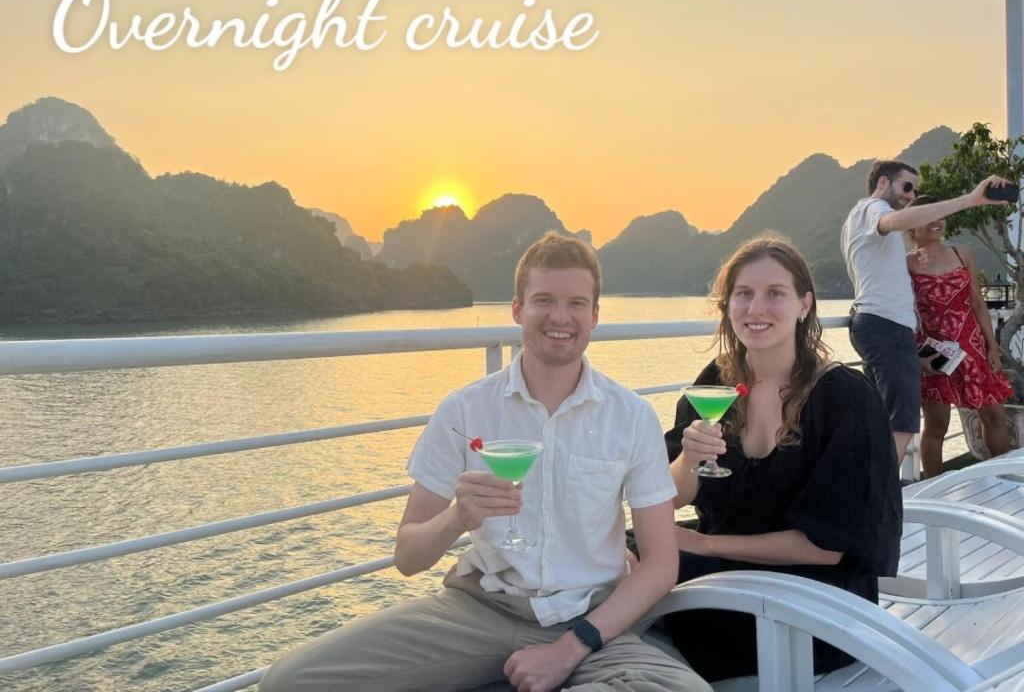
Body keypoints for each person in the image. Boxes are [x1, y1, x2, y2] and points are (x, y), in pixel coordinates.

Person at [260, 232, 710, 692]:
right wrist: (457, 517)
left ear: (594, 315)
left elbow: (659, 565)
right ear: (517, 309)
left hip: (592, 618)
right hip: (480, 610)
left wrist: (568, 650)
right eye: (544, 300)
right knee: (291, 682)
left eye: (576, 303)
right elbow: (409, 557)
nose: (560, 316)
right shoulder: (465, 410)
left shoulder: (629, 416)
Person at [660, 236, 903, 682]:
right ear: (727, 306)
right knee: (610, 557)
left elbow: (826, 549)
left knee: (632, 583)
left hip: (814, 609)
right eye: (744, 294)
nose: (756, 309)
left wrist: (707, 544)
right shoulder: (716, 382)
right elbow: (670, 498)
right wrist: (690, 458)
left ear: (804, 304)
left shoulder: (844, 398)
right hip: (724, 581)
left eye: (775, 293)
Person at [841, 160, 1011, 464]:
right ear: (883, 182)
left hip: (950, 341)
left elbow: (975, 301)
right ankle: (888, 487)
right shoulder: (873, 211)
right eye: (906, 187)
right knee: (912, 423)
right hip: (913, 339)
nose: (910, 195)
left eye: (914, 191)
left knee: (899, 419)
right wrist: (970, 200)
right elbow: (895, 223)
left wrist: (990, 346)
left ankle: (883, 485)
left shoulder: (895, 243)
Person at [905, 195, 1012, 477]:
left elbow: (977, 303)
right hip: (934, 351)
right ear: (911, 226)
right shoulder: (905, 264)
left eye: (939, 215)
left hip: (973, 345)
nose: (936, 222)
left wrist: (991, 345)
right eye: (927, 217)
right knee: (937, 425)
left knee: (994, 416)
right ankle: (933, 489)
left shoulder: (961, 254)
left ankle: (1002, 479)